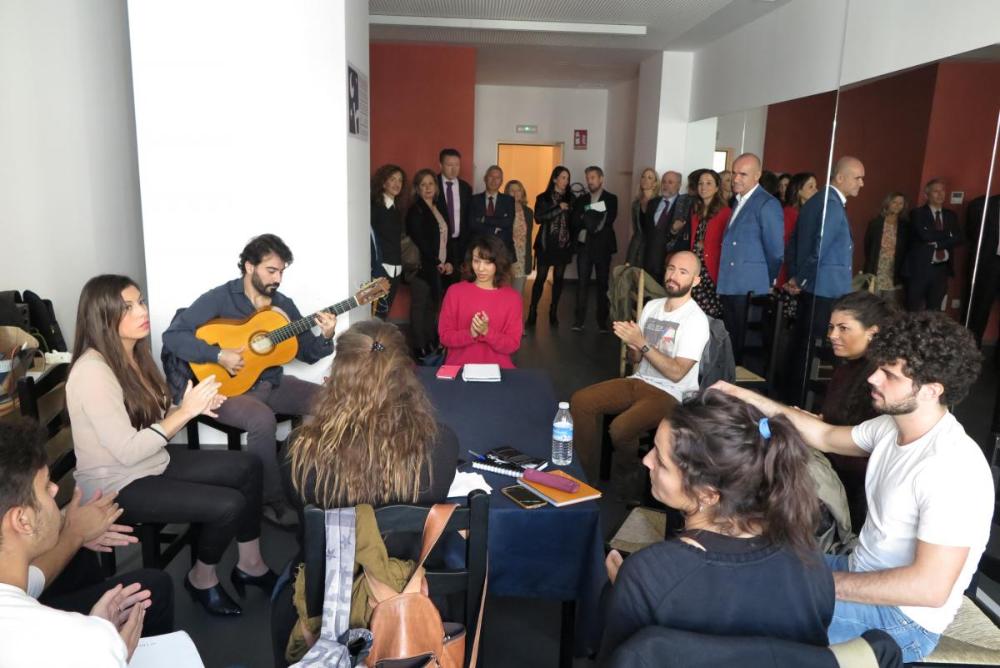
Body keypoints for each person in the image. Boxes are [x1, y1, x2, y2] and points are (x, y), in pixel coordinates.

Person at [714, 311, 992, 663]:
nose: (873, 377)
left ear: (932, 389)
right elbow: (824, 435)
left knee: (747, 606)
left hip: (902, 622)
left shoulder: (951, 468)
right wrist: (745, 396)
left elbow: (930, 589)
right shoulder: (893, 426)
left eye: (889, 374)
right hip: (860, 571)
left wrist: (819, 584)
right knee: (748, 559)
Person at [70, 275, 276, 616]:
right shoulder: (92, 372)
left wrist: (191, 406)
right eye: (128, 307)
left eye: (141, 301)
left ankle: (250, 563)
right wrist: (185, 414)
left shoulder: (134, 355)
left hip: (150, 461)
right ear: (102, 317)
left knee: (249, 466)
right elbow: (127, 450)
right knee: (228, 505)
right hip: (115, 483)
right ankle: (202, 578)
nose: (142, 311)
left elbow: (153, 415)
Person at [598, 391, 832, 662]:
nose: (646, 461)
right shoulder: (811, 562)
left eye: (661, 461)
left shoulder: (649, 575)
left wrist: (625, 593)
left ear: (708, 494)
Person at [162, 234, 336, 527]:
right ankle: (272, 502)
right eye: (271, 270)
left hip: (271, 383)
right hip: (226, 390)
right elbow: (174, 337)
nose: (278, 278)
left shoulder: (283, 305)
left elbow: (306, 352)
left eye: (281, 271)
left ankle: (317, 485)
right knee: (262, 420)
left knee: (332, 401)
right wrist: (218, 355)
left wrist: (327, 335)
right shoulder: (219, 298)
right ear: (248, 266)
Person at [0, 419, 152, 667]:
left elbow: (31, 581)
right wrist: (112, 652)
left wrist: (75, 533)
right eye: (46, 485)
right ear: (22, 520)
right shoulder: (87, 644)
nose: (55, 489)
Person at [570, 251, 711, 503]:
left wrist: (643, 344)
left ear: (696, 281)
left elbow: (678, 373)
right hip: (640, 380)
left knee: (621, 428)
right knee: (580, 401)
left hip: (671, 393)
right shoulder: (652, 306)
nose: (673, 276)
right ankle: (584, 479)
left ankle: (631, 479)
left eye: (683, 272)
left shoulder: (696, 320)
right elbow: (637, 360)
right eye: (671, 268)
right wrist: (632, 345)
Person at [285, 320, 458, 510]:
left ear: (339, 375)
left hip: (334, 541)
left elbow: (300, 510)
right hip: (410, 541)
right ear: (405, 374)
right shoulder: (440, 443)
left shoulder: (300, 451)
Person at [786, 157, 864, 404]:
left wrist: (797, 277)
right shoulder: (830, 203)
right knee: (816, 350)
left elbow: (795, 243)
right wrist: (801, 278)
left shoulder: (816, 201)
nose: (862, 183)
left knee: (806, 347)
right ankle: (805, 401)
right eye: (857, 177)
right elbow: (819, 248)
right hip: (825, 290)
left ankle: (796, 398)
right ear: (840, 177)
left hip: (816, 286)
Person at [821, 291, 898, 529]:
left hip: (858, 490)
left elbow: (866, 449)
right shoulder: (848, 368)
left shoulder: (879, 380)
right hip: (836, 471)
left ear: (873, 332)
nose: (832, 335)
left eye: (843, 328)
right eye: (832, 327)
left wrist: (821, 433)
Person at [716, 153, 784, 363]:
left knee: (743, 348)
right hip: (731, 283)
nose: (736, 178)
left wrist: (766, 279)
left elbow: (775, 251)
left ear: (757, 175)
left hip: (749, 287)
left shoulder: (766, 204)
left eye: (743, 174)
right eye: (734, 173)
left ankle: (739, 392)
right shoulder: (739, 201)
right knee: (730, 343)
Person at [439, 235, 523, 368]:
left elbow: (512, 345)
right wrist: (470, 333)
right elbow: (444, 336)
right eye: (476, 261)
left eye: (488, 262)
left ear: (499, 263)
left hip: (499, 372)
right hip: (459, 370)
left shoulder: (512, 298)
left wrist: (487, 332)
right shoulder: (455, 292)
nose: (480, 268)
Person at [406, 168, 451, 358]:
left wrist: (446, 262)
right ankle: (419, 346)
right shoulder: (415, 210)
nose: (427, 187)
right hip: (422, 267)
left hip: (436, 266)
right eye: (423, 184)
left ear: (436, 186)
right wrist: (437, 261)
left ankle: (430, 340)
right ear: (417, 188)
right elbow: (420, 240)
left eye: (431, 183)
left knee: (431, 306)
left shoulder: (438, 207)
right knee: (419, 306)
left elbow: (443, 239)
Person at [571, 166, 619, 332]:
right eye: (588, 178)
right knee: (582, 283)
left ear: (601, 179)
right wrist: (593, 213)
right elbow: (575, 220)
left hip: (603, 247)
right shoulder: (581, 199)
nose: (589, 181)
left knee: (602, 284)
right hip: (584, 246)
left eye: (592, 177)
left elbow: (609, 219)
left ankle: (602, 322)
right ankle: (579, 321)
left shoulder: (611, 199)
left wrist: (586, 213)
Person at [904, 179, 962, 312]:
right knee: (913, 309)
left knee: (934, 310)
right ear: (926, 194)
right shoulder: (917, 213)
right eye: (936, 191)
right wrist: (948, 235)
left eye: (942, 190)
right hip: (920, 268)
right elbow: (925, 236)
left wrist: (936, 243)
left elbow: (959, 238)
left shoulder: (951, 215)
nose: (940, 194)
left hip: (941, 270)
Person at [527, 166, 574, 327]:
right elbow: (539, 218)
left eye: (567, 178)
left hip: (563, 245)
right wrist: (558, 208)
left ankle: (553, 311)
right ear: (554, 179)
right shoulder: (543, 198)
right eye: (562, 177)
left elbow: (574, 220)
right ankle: (532, 311)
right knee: (540, 279)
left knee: (559, 280)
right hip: (546, 245)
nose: (565, 181)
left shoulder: (571, 198)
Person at [688, 169, 728, 319]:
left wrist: (708, 245)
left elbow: (729, 242)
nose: (703, 187)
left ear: (717, 187)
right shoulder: (696, 210)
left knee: (711, 313)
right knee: (694, 311)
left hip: (712, 269)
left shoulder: (725, 212)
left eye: (709, 183)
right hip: (696, 268)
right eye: (700, 183)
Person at [369, 164, 408, 314]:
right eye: (392, 179)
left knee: (385, 313)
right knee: (376, 314)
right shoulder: (375, 207)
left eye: (400, 180)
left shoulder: (396, 209)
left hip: (396, 268)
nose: (397, 184)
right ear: (383, 182)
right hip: (381, 268)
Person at [434, 148, 473, 287]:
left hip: (458, 244)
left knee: (454, 285)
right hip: (437, 244)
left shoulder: (465, 188)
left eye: (457, 165)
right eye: (449, 165)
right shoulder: (432, 185)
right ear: (440, 165)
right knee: (436, 286)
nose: (454, 169)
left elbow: (468, 218)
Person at [966, 194, 1000, 346]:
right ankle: (973, 348)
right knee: (980, 308)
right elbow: (971, 232)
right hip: (990, 263)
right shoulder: (985, 203)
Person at [863, 192, 909, 303]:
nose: (897, 205)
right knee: (873, 304)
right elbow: (867, 246)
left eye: (900, 203)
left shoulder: (905, 226)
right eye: (894, 202)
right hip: (876, 269)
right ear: (887, 203)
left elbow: (907, 249)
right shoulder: (875, 223)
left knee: (890, 305)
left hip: (894, 271)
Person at [642, 170, 683, 283]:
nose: (665, 185)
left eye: (670, 182)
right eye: (664, 182)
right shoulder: (653, 203)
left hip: (669, 261)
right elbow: (645, 231)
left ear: (679, 185)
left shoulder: (684, 205)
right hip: (649, 259)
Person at [469, 165, 516, 260]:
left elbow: (507, 222)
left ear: (501, 181)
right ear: (485, 178)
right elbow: (472, 224)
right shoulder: (473, 200)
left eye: (497, 178)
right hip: (479, 249)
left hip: (503, 250)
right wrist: (494, 229)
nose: (494, 180)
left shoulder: (509, 200)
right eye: (491, 176)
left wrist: (483, 219)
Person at [503, 179, 534, 296]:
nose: (515, 193)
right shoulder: (502, 210)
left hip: (522, 258)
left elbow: (528, 238)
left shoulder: (528, 212)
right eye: (512, 190)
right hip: (505, 256)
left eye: (518, 190)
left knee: (517, 294)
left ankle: (516, 315)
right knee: (503, 294)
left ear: (522, 192)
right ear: (507, 193)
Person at [625, 167, 659, 268]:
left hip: (653, 246)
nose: (645, 179)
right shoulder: (636, 204)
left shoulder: (659, 202)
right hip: (638, 243)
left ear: (655, 183)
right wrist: (630, 256)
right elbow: (637, 231)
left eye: (649, 177)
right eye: (643, 177)